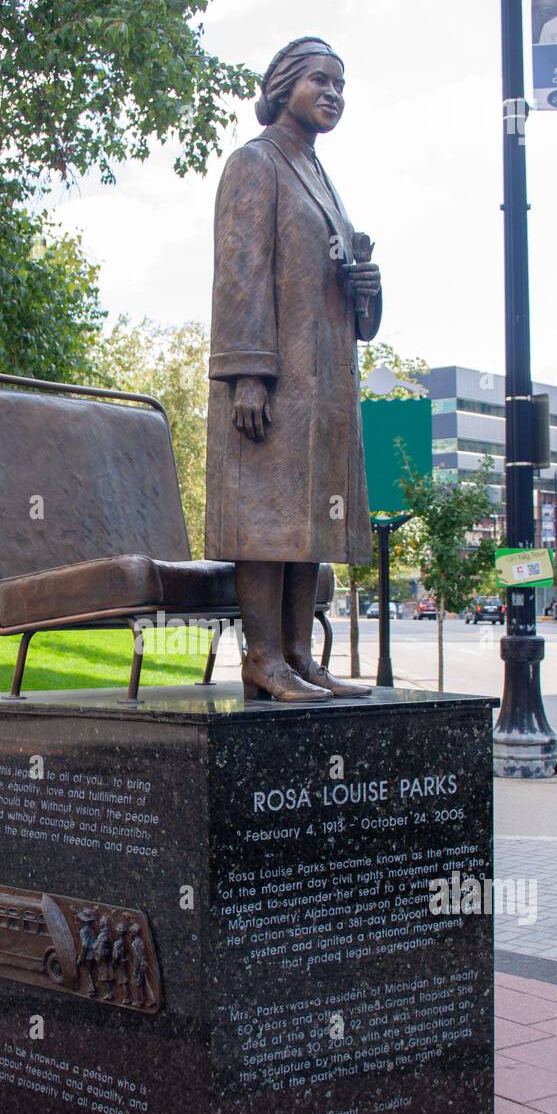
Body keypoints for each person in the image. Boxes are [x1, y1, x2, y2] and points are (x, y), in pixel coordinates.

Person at [205, 36, 382, 703]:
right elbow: (241, 273)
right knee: (265, 519)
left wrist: (365, 284)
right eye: (320, 80)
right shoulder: (255, 163)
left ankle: (301, 657)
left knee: (307, 520)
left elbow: (340, 292)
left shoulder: (319, 175)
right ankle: (263, 659)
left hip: (326, 384)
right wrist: (248, 373)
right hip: (273, 382)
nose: (333, 93)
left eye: (341, 83)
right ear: (284, 87)